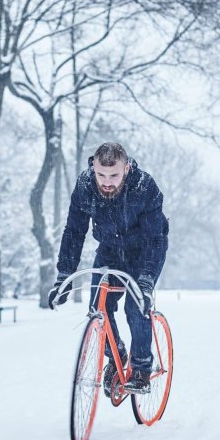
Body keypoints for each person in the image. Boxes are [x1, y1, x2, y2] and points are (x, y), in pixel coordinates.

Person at [48, 142, 169, 395]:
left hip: (144, 250)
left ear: (126, 168)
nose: (107, 182)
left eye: (114, 175)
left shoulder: (144, 186)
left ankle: (141, 369)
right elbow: (74, 231)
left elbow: (154, 238)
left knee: (135, 307)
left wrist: (145, 281)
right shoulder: (85, 186)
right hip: (110, 250)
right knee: (97, 309)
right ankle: (117, 357)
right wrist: (64, 276)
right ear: (93, 167)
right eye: (101, 175)